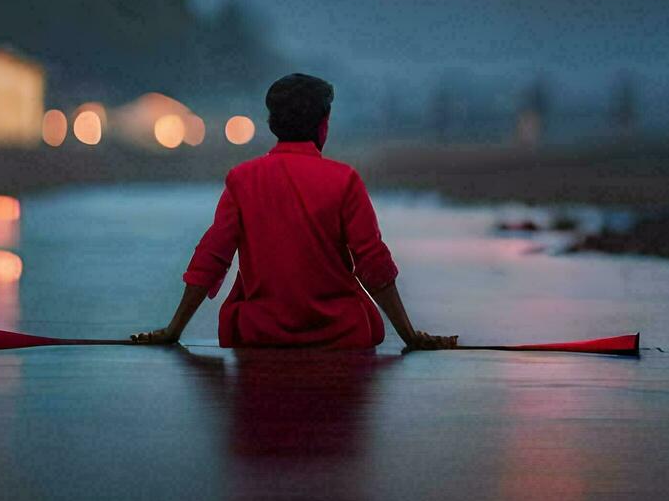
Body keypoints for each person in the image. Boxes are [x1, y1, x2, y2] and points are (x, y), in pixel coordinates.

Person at [131, 73, 457, 350]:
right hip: (342, 334)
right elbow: (372, 262)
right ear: (323, 125)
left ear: (273, 123)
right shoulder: (345, 180)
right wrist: (409, 335)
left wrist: (174, 330)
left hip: (258, 333)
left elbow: (212, 257)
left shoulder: (242, 179)